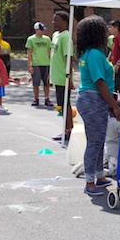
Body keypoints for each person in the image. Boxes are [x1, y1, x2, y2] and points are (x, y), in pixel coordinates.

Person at [75, 15, 120, 197]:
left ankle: (99, 176)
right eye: (104, 29)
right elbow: (100, 83)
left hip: (92, 99)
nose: (107, 32)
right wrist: (115, 106)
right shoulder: (95, 54)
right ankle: (89, 182)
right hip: (93, 99)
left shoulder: (89, 52)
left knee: (97, 139)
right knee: (95, 142)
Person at [50, 11, 74, 142]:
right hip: (56, 76)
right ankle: (67, 129)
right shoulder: (55, 35)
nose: (53, 22)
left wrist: (69, 78)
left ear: (64, 22)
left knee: (66, 104)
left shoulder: (66, 37)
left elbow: (69, 58)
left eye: (56, 20)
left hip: (63, 77)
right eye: (53, 20)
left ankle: (68, 130)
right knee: (62, 105)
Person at [25, 21, 53, 107]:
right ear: (36, 30)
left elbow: (50, 51)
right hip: (36, 63)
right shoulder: (31, 39)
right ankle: (36, 98)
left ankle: (47, 98)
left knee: (46, 82)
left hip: (46, 63)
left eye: (43, 30)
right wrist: (29, 65)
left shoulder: (47, 39)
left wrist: (51, 63)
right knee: (36, 83)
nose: (42, 31)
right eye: (41, 30)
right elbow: (29, 53)